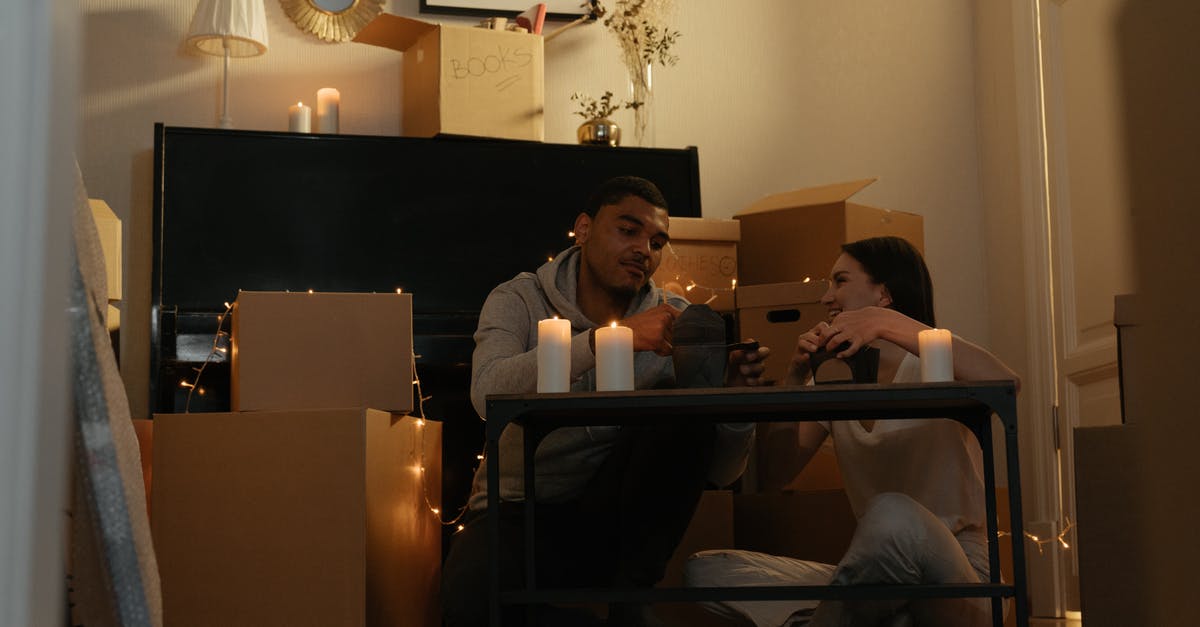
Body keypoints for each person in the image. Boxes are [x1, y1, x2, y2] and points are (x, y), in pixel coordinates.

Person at [441, 176, 770, 627]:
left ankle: (631, 597)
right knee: (467, 604)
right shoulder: (518, 298)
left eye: (657, 242)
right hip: (520, 510)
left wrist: (732, 404)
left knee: (679, 405)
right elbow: (486, 392)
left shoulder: (676, 320)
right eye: (628, 230)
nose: (644, 251)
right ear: (583, 228)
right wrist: (608, 340)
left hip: (619, 519)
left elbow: (722, 472)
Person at [685, 236, 1020, 627]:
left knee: (892, 511)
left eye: (839, 281)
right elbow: (775, 475)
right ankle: (875, 613)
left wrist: (888, 324)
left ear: (884, 294)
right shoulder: (834, 381)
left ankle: (844, 616)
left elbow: (1007, 384)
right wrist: (795, 377)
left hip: (960, 578)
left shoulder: (934, 361)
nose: (827, 298)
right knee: (708, 572)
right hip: (876, 571)